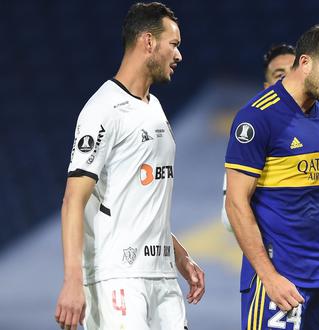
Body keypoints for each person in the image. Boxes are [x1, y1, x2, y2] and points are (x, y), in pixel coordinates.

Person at [54, 3, 205, 329]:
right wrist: (72, 280)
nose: (178, 56)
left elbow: (142, 200)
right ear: (148, 42)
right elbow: (72, 202)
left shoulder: (156, 109)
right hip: (117, 278)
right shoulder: (103, 109)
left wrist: (179, 254)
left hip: (162, 277)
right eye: (173, 44)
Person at [220, 44, 319, 292]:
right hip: (278, 273)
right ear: (267, 88)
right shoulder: (252, 144)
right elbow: (230, 215)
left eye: (292, 71)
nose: (288, 80)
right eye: (279, 75)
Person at [224, 24, 319, 329]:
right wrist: (269, 278)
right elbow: (235, 203)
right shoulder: (257, 116)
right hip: (279, 277)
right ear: (305, 61)